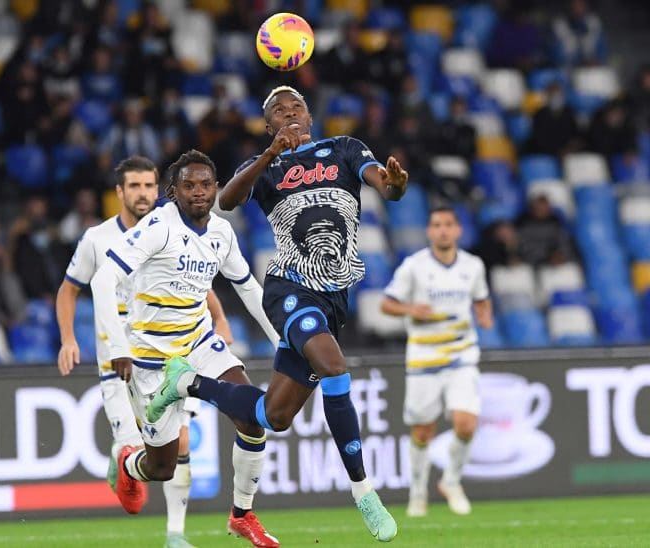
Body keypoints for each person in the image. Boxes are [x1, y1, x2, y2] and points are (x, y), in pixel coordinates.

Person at [148, 86, 408, 543]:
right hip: (289, 287)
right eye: (278, 111)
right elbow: (228, 200)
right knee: (334, 367)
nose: (289, 114)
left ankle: (186, 383)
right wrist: (270, 153)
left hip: (333, 296)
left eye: (296, 107)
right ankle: (363, 491)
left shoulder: (343, 149)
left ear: (310, 116)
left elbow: (384, 184)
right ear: (268, 125)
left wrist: (395, 186)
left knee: (274, 416)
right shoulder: (265, 165)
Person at [90, 150, 281, 548]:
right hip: (151, 358)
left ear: (216, 188)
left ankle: (242, 515)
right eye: (189, 185)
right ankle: (127, 462)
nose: (198, 192)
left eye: (206, 184)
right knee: (161, 467)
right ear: (173, 192)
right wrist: (118, 345)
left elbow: (248, 288)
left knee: (252, 417)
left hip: (198, 344)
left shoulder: (222, 232)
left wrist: (282, 341)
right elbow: (102, 280)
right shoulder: (158, 227)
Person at [379, 207, 494, 517]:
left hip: (462, 354)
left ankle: (451, 481)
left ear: (458, 230)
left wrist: (485, 314)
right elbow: (387, 304)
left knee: (466, 424)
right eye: (437, 225)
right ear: (429, 231)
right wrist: (410, 310)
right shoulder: (414, 266)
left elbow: (481, 297)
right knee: (422, 431)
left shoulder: (473, 265)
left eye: (448, 225)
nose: (443, 230)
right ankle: (418, 493)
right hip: (424, 358)